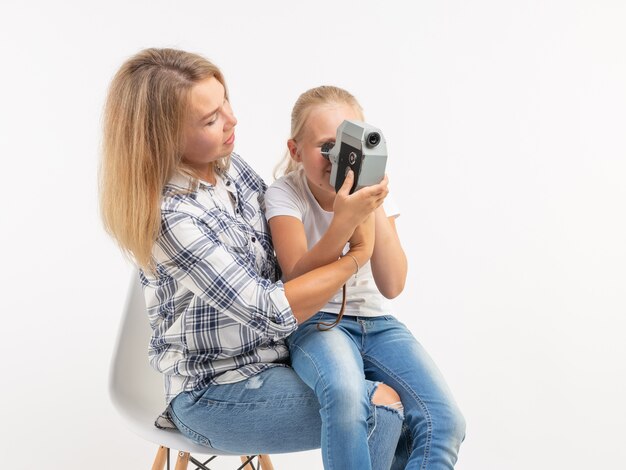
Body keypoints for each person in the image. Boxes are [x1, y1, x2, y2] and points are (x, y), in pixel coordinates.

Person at [100, 48, 405, 469]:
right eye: (211, 120)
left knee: (424, 405)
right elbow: (270, 310)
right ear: (164, 138)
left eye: (224, 102)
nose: (232, 120)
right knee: (383, 408)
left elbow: (289, 260)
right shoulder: (170, 218)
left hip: (277, 359)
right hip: (213, 392)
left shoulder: (231, 170)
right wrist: (357, 254)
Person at [265, 85, 466, 469]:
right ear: (295, 151)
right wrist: (343, 222)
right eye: (327, 147)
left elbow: (392, 284)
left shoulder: (372, 195)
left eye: (347, 145)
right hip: (317, 324)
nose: (337, 158)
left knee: (444, 420)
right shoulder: (285, 195)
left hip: (376, 323)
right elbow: (295, 277)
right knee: (346, 391)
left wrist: (370, 201)